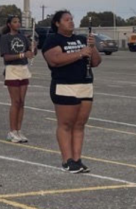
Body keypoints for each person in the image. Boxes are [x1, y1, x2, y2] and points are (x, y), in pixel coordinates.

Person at [42, 10, 99, 173]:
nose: (71, 22)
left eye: (72, 19)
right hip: (65, 85)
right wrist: (80, 53)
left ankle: (77, 159)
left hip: (85, 85)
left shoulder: (81, 39)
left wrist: (91, 47)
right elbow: (55, 60)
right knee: (66, 124)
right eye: (67, 20)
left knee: (80, 124)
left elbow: (96, 62)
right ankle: (67, 160)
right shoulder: (53, 40)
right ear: (57, 23)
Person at [0, 14, 36, 143]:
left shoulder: (23, 37)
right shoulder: (5, 38)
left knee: (22, 102)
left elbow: (31, 53)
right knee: (15, 102)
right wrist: (22, 54)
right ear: (9, 24)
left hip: (23, 69)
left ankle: (19, 130)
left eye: (19, 22)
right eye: (15, 22)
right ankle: (12, 131)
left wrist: (33, 47)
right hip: (12, 70)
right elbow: (6, 57)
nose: (18, 24)